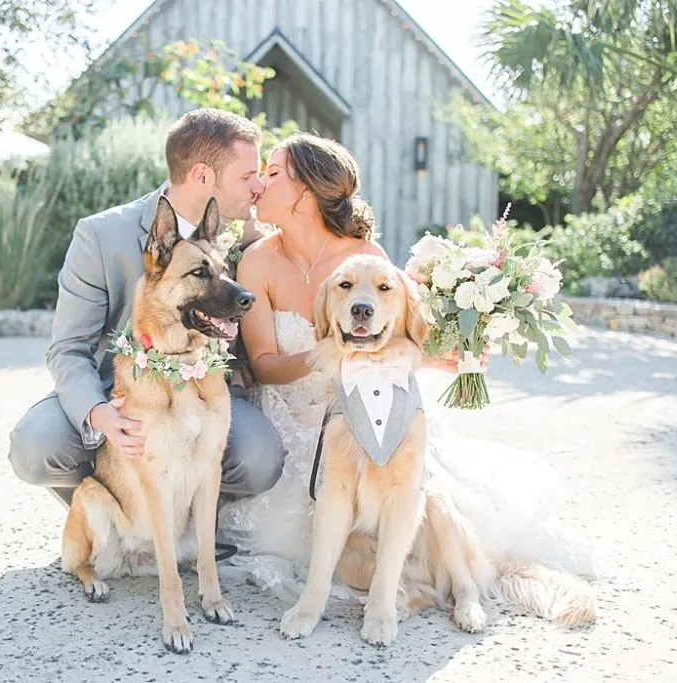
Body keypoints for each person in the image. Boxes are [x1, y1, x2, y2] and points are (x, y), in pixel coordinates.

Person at [216, 132, 599, 601]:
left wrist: (444, 356)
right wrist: (327, 354)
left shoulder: (368, 261)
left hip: (370, 408)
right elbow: (267, 365)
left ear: (305, 193)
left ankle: (441, 577)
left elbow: (392, 343)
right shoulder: (256, 261)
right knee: (293, 536)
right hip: (292, 422)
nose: (259, 184)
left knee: (427, 507)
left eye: (272, 173)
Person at [7, 108, 285, 508]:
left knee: (259, 458)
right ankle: (114, 518)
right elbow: (68, 349)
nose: (258, 186)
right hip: (119, 392)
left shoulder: (247, 237)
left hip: (207, 396)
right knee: (37, 447)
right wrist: (99, 412)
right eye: (247, 176)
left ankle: (190, 526)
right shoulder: (101, 235)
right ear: (202, 176)